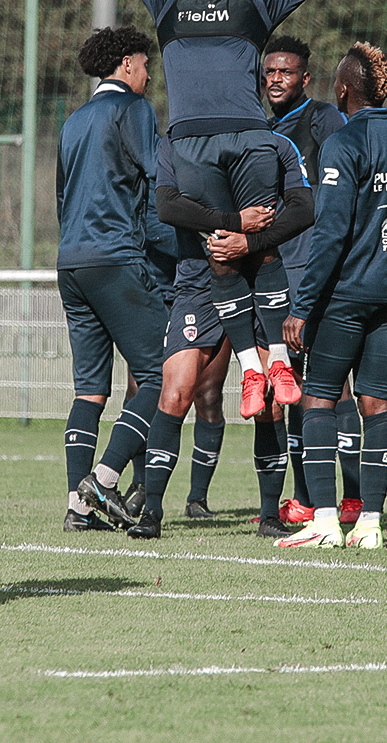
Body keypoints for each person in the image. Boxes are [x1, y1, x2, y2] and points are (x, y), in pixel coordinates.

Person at [90, 0, 380, 415]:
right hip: (194, 145)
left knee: (264, 244)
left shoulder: (259, 6)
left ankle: (275, 358)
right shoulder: (168, 1)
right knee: (223, 250)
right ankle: (254, 368)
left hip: (249, 139)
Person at [278, 43, 387, 549]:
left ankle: (324, 519)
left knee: (319, 397)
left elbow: (329, 232)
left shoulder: (345, 143)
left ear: (344, 89)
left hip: (346, 294)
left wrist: (302, 306)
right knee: (377, 403)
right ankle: (369, 525)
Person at [119, 134, 313, 539]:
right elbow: (168, 206)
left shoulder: (274, 144)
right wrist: (232, 224)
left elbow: (303, 209)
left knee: (270, 404)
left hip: (261, 283)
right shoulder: (176, 143)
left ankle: (268, 515)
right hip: (196, 283)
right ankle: (152, 513)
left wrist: (252, 241)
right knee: (175, 393)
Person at [56, 27, 174, 531]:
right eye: (146, 66)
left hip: (70, 263)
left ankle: (77, 509)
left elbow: (63, 197)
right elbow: (155, 187)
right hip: (115, 258)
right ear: (127, 64)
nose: (149, 77)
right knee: (160, 375)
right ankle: (103, 480)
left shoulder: (73, 121)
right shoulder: (133, 109)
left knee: (89, 392)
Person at [262, 36, 363, 530]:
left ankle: (353, 496)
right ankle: (304, 496)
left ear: (305, 78)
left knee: (331, 383)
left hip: (314, 266)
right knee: (293, 386)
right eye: (270, 72)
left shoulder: (323, 119)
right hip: (273, 266)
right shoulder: (259, 125)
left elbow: (341, 179)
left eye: (286, 71)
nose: (276, 79)